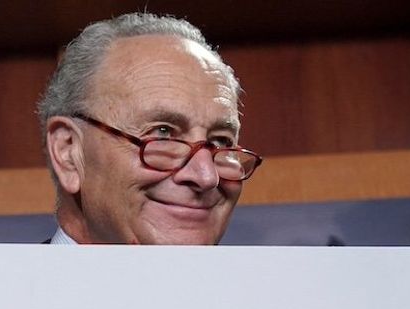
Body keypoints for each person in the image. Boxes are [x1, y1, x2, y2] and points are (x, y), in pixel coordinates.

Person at [37, 13, 263, 245]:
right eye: (163, 132)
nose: (206, 176)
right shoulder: (3, 282)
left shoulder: (270, 282)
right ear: (69, 153)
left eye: (221, 142)